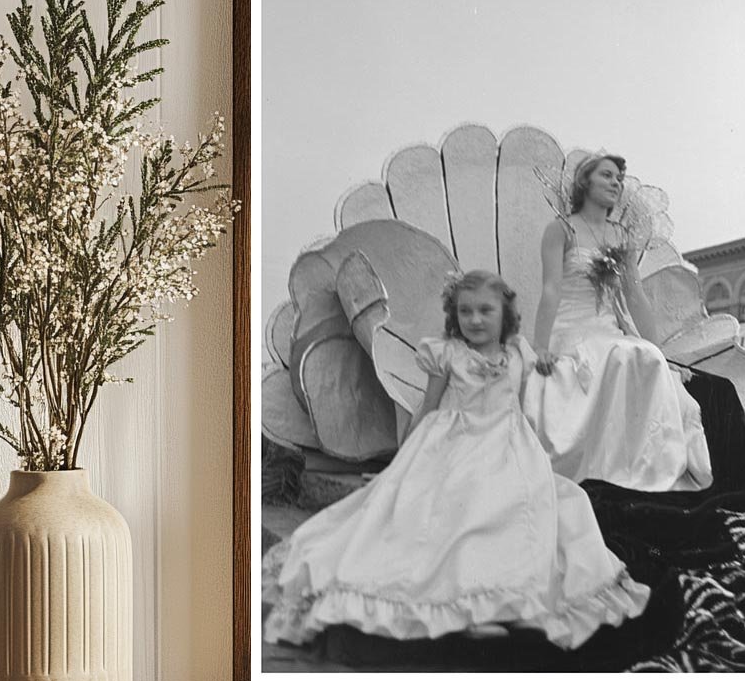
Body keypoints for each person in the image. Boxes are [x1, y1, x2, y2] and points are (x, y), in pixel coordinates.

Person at [263, 269, 649, 651]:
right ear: (455, 316)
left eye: (485, 311)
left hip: (507, 443)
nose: (475, 320)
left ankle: (509, 601)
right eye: (466, 312)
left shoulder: (518, 354)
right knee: (458, 508)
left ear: (505, 315)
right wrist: (402, 462)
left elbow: (528, 409)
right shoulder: (447, 354)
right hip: (453, 442)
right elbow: (428, 406)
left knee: (553, 505)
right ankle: (464, 607)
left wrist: (540, 455)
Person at [524, 153, 713, 493]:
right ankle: (606, 468)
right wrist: (540, 345)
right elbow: (551, 289)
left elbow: (635, 296)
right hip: (572, 330)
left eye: (618, 179)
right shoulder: (561, 229)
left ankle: (646, 470)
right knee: (620, 356)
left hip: (610, 330)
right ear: (585, 182)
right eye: (607, 175)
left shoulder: (621, 237)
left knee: (645, 357)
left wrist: (659, 350)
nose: (615, 183)